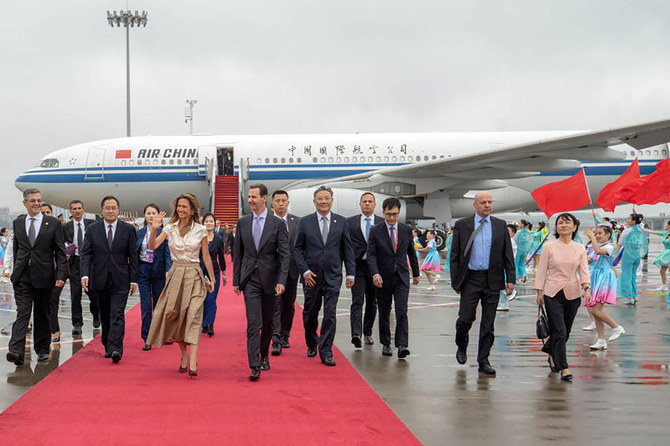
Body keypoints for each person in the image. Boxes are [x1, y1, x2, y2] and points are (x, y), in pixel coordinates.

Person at [147, 193, 215, 377]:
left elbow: (206, 256)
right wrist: (154, 229)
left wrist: (212, 277)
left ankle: (193, 360)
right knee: (175, 316)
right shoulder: (170, 227)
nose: (180, 210)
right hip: (176, 274)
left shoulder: (201, 229)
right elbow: (152, 246)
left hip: (194, 275)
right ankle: (184, 354)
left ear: (192, 209)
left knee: (193, 315)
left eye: (184, 207)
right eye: (179, 206)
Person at [449, 191, 515, 376]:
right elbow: (454, 255)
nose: (487, 205)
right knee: (465, 319)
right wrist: (456, 281)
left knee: (488, 323)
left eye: (490, 202)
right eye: (483, 202)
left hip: (492, 279)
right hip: (470, 279)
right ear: (475, 205)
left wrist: (510, 279)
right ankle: (461, 345)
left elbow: (507, 254)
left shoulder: (500, 225)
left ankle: (483, 360)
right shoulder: (463, 225)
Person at [294, 186, 355, 367]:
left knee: (330, 314)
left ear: (332, 200)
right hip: (311, 277)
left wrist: (351, 272)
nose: (323, 201)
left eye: (327, 198)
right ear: (314, 202)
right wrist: (304, 271)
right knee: (310, 313)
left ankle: (326, 350)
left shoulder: (341, 222)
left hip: (333, 276)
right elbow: (297, 249)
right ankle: (312, 342)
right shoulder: (305, 222)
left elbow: (348, 249)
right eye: (320, 198)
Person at [233, 184, 289, 381]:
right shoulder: (243, 223)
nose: (250, 200)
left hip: (271, 281)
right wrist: (236, 281)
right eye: (248, 197)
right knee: (253, 323)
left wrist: (282, 280)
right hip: (250, 280)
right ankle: (254, 364)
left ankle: (264, 355)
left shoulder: (277, 224)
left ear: (264, 198)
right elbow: (237, 254)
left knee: (267, 323)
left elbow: (284, 255)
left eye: (254, 197)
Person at [6, 189, 68, 366]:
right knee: (23, 313)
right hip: (22, 276)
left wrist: (61, 274)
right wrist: (15, 270)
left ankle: (42, 349)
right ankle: (16, 351)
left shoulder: (53, 223)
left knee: (42, 314)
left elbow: (60, 253)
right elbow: (18, 249)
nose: (36, 203)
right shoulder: (18, 223)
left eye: (39, 200)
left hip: (44, 275)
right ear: (25, 203)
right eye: (32, 200)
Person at [80, 196, 139, 364]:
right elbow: (86, 253)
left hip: (121, 279)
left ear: (118, 210)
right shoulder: (92, 229)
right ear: (102, 210)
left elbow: (133, 256)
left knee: (117, 314)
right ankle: (108, 344)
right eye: (108, 208)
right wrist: (85, 274)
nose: (111, 211)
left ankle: (116, 348)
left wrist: (133, 279)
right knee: (105, 315)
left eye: (114, 208)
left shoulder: (128, 229)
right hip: (99, 279)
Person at [534, 213, 591, 381]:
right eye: (560, 223)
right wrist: (539, 291)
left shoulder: (579, 248)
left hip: (573, 293)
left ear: (574, 227)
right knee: (559, 330)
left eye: (567, 222)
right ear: (556, 228)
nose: (563, 225)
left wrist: (586, 287)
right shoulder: (549, 246)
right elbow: (542, 269)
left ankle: (552, 353)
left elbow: (584, 270)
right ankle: (564, 367)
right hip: (552, 292)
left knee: (566, 332)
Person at [366, 197, 420, 358]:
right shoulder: (376, 231)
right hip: (383, 277)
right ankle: (386, 343)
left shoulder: (405, 229)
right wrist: (375, 273)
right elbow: (371, 254)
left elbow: (411, 252)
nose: (391, 218)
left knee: (401, 310)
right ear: (383, 213)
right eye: (389, 214)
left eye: (395, 214)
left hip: (401, 276)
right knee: (384, 310)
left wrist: (416, 273)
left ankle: (402, 344)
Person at [346, 192, 383, 348]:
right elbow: (346, 247)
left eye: (370, 201)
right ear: (360, 204)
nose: (367, 204)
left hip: (375, 268)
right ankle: (356, 334)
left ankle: (367, 332)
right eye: (364, 201)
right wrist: (349, 270)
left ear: (374, 205)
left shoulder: (381, 223)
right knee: (357, 300)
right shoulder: (350, 223)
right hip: (358, 266)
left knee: (372, 302)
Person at [136, 204, 172, 350]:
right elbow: (134, 253)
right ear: (144, 215)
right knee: (146, 305)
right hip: (143, 270)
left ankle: (159, 334)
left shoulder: (163, 233)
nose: (151, 216)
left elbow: (168, 253)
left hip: (158, 271)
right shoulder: (139, 233)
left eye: (154, 213)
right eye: (148, 213)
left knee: (158, 305)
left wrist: (168, 270)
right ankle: (147, 338)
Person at [583, 226, 625, 350]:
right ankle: (601, 340)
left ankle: (616, 327)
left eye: (599, 233)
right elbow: (589, 260)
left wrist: (591, 237)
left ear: (608, 235)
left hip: (604, 278)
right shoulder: (597, 247)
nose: (597, 236)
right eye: (595, 234)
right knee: (593, 310)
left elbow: (598, 251)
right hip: (596, 277)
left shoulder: (609, 247)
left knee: (596, 310)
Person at [270, 190, 301, 356]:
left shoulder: (297, 222)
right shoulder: (267, 221)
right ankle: (276, 339)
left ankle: (285, 334)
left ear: (288, 203)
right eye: (278, 201)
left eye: (284, 201)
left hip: (292, 271)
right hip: (273, 271)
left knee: (288, 305)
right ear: (272, 204)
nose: (281, 204)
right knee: (275, 304)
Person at [64, 200, 97, 335]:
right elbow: (62, 243)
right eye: (74, 209)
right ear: (70, 211)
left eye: (79, 208)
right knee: (75, 294)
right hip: (74, 263)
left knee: (93, 293)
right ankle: (77, 323)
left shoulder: (92, 225)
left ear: (83, 210)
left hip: (90, 263)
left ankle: (96, 313)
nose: (77, 211)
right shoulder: (65, 227)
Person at [200, 213, 226, 337]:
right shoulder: (198, 238)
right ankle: (204, 322)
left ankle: (210, 323)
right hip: (200, 271)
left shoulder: (219, 239)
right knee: (202, 299)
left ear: (215, 223)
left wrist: (224, 274)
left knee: (211, 298)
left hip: (214, 272)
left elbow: (221, 257)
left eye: (211, 221)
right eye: (206, 221)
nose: (209, 223)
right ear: (203, 223)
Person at [616, 213, 647, 305]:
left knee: (626, 276)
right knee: (633, 276)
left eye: (629, 219)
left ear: (633, 221)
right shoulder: (640, 230)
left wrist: (613, 255)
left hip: (628, 255)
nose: (627, 220)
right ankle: (635, 295)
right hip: (637, 255)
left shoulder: (626, 231)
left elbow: (619, 245)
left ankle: (630, 297)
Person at [642, 221, 670, 291]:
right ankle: (664, 285)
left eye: (667, 224)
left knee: (665, 270)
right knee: (662, 271)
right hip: (665, 253)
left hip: (668, 254)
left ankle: (665, 285)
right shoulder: (665, 234)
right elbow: (655, 232)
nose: (666, 226)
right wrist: (645, 230)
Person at [497, 224, 519, 311]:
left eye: (508, 231)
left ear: (513, 233)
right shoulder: (506, 241)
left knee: (503, 285)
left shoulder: (510, 242)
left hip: (506, 266)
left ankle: (504, 304)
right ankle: (502, 303)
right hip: (503, 265)